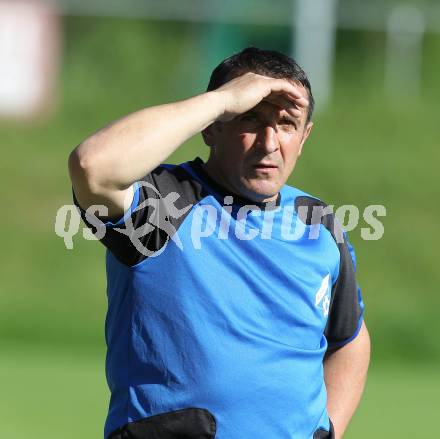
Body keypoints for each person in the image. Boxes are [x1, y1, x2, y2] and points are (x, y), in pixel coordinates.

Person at [68, 47, 370, 439]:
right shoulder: (167, 204)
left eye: (286, 123)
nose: (269, 142)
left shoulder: (318, 224)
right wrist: (222, 99)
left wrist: (328, 429)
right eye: (250, 118)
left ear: (304, 136)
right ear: (211, 127)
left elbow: (349, 339)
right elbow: (93, 167)